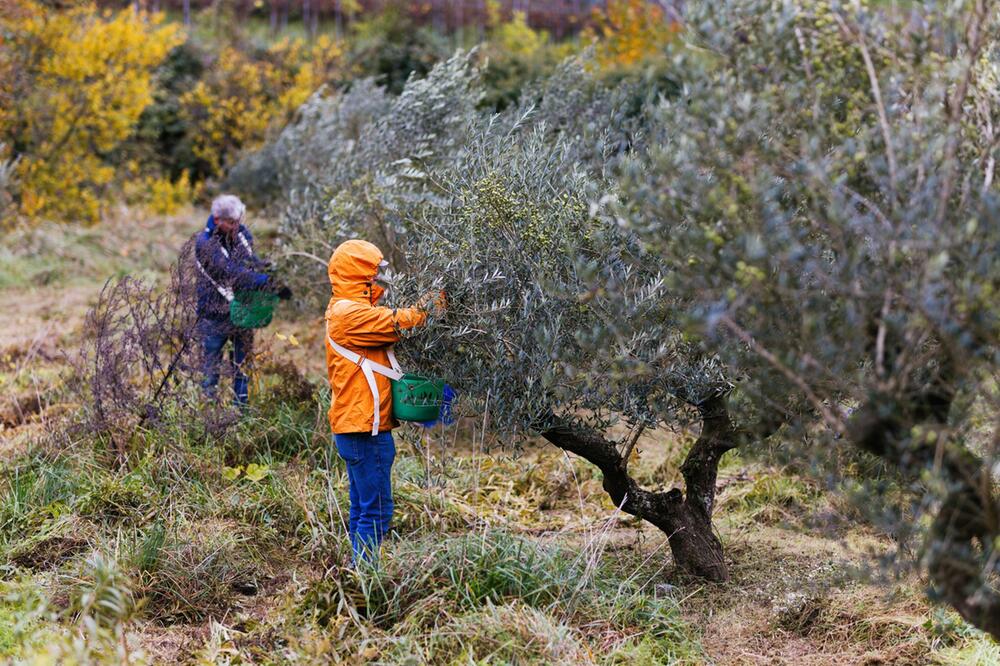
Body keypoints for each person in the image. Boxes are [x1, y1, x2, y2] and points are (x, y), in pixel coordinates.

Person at [324, 239, 442, 563]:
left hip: (357, 426)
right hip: (365, 430)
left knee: (363, 507)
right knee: (376, 511)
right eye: (375, 272)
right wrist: (438, 300)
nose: (380, 278)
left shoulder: (348, 307)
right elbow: (403, 321)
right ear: (360, 274)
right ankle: (365, 582)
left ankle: (355, 574)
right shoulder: (351, 314)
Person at [194, 194, 290, 407]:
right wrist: (264, 281)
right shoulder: (204, 243)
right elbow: (229, 272)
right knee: (211, 368)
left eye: (239, 221)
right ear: (217, 219)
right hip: (214, 314)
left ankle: (241, 410)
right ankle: (207, 412)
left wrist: (273, 274)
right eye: (232, 222)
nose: (237, 226)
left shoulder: (242, 234)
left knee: (242, 366)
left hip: (242, 309)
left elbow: (250, 262)